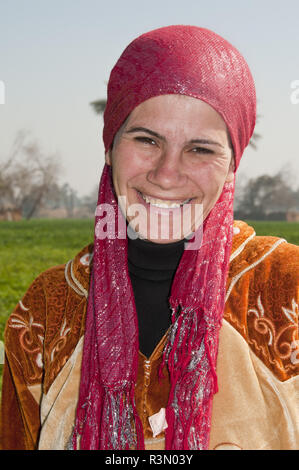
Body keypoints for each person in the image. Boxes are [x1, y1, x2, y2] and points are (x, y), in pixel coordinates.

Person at [0, 25, 298, 451]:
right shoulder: (47, 311)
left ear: (233, 165)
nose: (166, 173)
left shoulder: (286, 290)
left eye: (200, 149)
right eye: (146, 139)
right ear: (109, 145)